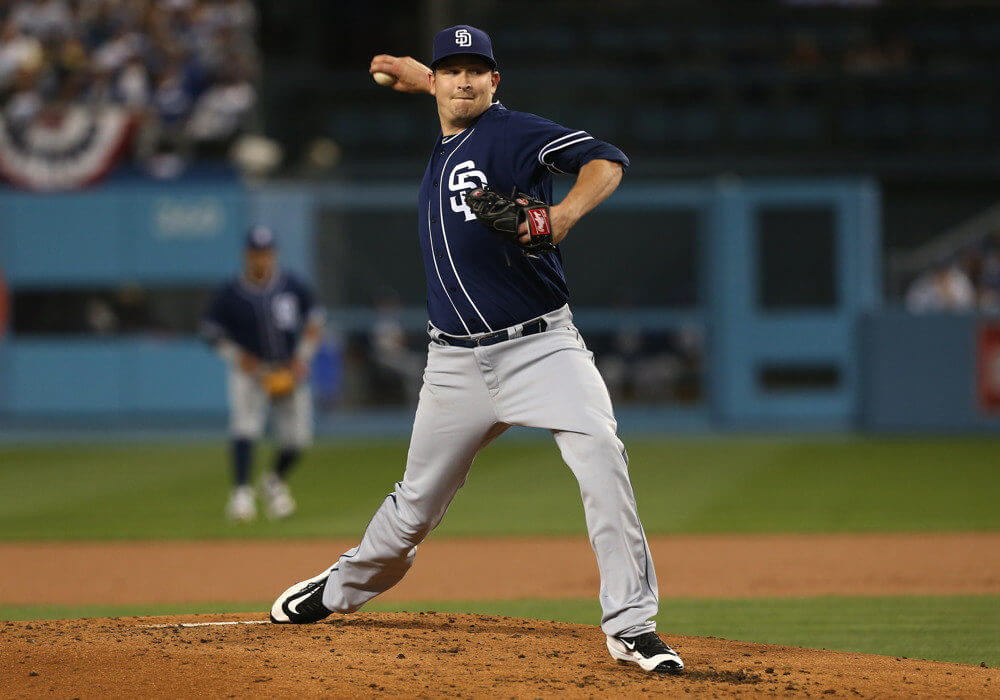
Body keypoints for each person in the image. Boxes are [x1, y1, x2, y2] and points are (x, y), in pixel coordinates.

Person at [269, 26, 683, 674]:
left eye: (477, 70)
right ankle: (339, 589)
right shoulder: (446, 137)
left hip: (542, 348)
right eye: (452, 69)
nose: (465, 79)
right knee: (413, 509)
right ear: (438, 80)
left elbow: (607, 160)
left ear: (496, 81)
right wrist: (418, 75)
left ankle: (632, 626)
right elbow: (447, 102)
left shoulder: (513, 133)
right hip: (454, 365)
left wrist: (563, 216)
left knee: (601, 451)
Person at [202, 225, 324, 521]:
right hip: (252, 372)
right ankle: (241, 495)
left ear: (274, 254)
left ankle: (273, 481)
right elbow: (209, 331)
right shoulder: (231, 292)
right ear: (247, 255)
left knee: (298, 439)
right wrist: (236, 356)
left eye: (266, 253)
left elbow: (315, 319)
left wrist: (302, 357)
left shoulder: (291, 285)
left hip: (287, 369)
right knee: (245, 428)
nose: (262, 259)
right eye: (256, 253)